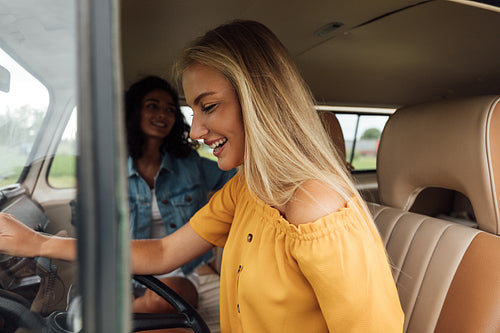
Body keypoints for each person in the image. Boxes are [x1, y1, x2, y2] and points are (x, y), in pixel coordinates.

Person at [0, 20, 404, 332]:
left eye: (208, 107)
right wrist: (38, 242)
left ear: (259, 102)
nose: (194, 131)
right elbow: (162, 253)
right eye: (192, 112)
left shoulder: (317, 209)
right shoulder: (246, 189)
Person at [124, 75, 235, 314]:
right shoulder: (109, 171)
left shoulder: (189, 165)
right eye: (153, 106)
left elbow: (236, 177)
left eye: (170, 110)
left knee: (160, 300)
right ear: (134, 112)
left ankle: (129, 313)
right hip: (125, 272)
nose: (163, 115)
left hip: (180, 271)